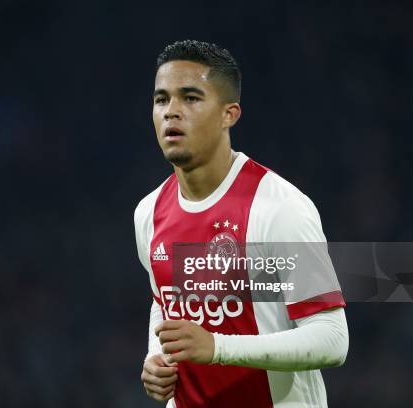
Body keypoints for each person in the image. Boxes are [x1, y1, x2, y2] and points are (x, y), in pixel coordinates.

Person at [133, 40, 349, 407]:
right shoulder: (149, 212)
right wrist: (156, 359)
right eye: (161, 99)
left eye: (190, 98)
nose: (171, 112)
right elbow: (166, 303)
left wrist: (218, 347)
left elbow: (331, 339)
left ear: (228, 114)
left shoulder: (280, 209)